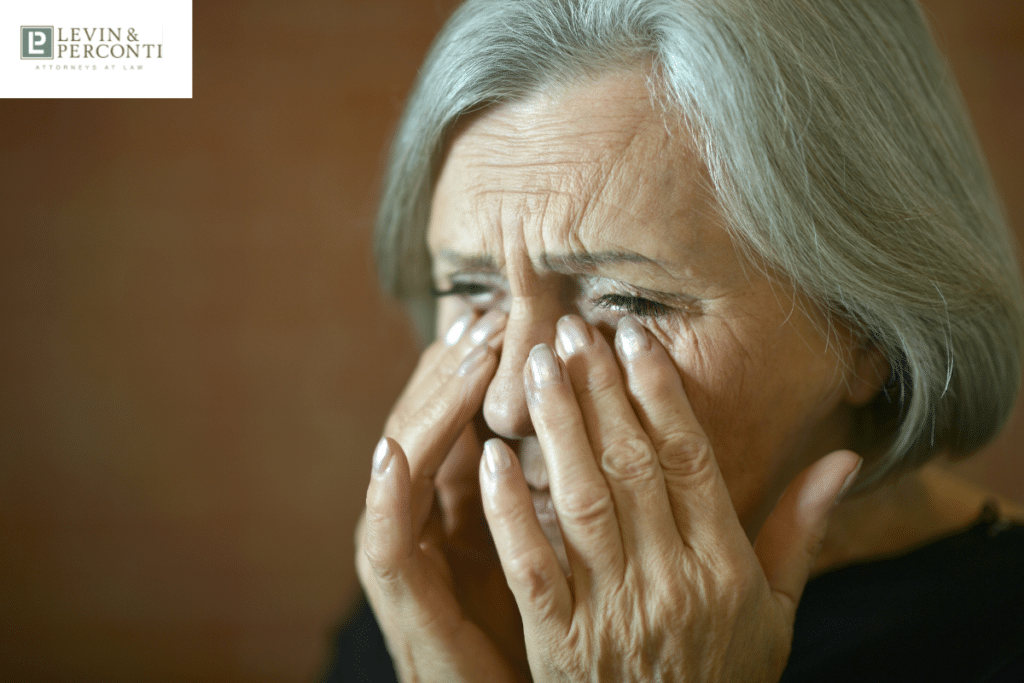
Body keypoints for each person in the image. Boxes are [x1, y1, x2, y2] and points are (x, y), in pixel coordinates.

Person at [324, 0, 1024, 680]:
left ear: (871, 324)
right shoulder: (439, 601)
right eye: (474, 292)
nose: (510, 404)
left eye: (630, 301)